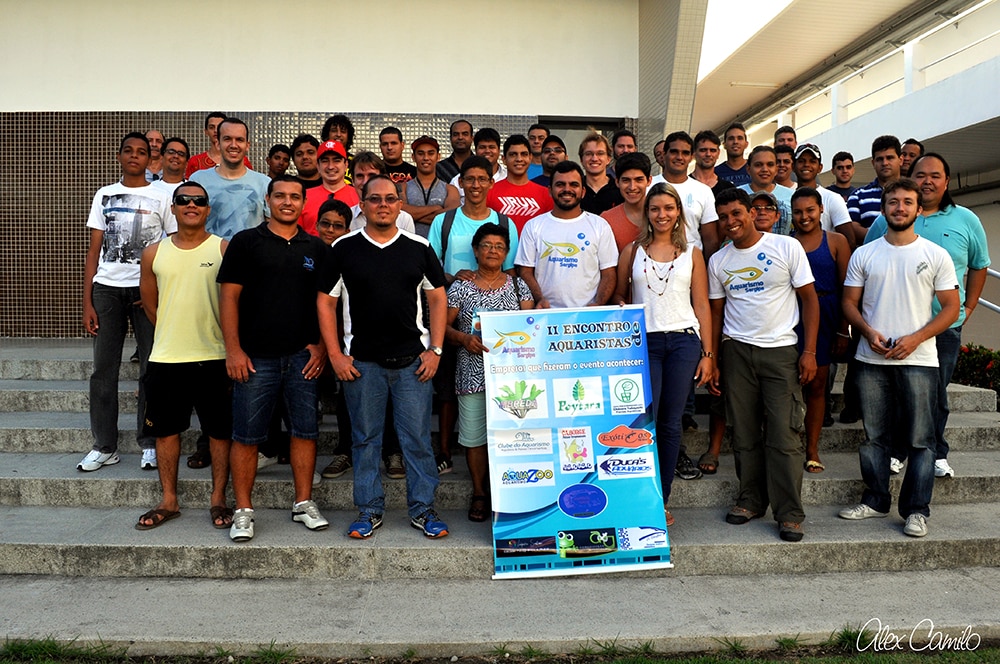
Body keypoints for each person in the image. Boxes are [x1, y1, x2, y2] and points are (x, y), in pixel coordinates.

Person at [318, 175, 450, 539]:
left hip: (413, 364)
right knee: (365, 440)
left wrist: (435, 350)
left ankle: (423, 509)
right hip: (361, 365)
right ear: (362, 204)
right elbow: (325, 302)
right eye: (374, 199)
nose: (383, 205)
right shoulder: (343, 248)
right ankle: (369, 510)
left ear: (399, 204)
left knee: (418, 441)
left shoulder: (418, 246)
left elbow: (438, 298)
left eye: (390, 199)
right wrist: (335, 355)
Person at [838, 178, 960, 538]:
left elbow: (951, 308)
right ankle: (875, 500)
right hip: (872, 359)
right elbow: (848, 302)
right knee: (874, 437)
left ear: (918, 209)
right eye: (893, 202)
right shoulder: (865, 253)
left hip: (919, 359)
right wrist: (867, 331)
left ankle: (916, 510)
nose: (900, 207)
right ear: (884, 207)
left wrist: (916, 338)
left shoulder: (934, 254)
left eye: (908, 202)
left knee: (921, 441)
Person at [218, 175, 330, 542]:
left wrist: (321, 345)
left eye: (294, 197)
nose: (287, 202)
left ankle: (303, 503)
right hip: (254, 358)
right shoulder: (246, 242)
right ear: (268, 199)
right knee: (247, 437)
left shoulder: (316, 247)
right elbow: (229, 298)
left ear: (303, 203)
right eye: (280, 195)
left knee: (305, 431)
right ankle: (243, 510)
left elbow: (325, 303)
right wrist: (233, 350)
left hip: (302, 357)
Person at [864, 153, 990, 478]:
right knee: (894, 394)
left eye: (936, 175)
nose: (927, 181)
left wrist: (970, 305)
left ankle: (936, 451)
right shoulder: (890, 217)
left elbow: (979, 265)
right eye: (921, 175)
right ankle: (896, 450)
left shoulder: (966, 220)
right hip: (893, 326)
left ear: (947, 181)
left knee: (935, 394)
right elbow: (867, 267)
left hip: (943, 327)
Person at [708, 187, 819, 542]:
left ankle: (789, 513)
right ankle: (750, 500)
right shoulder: (719, 261)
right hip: (736, 351)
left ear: (752, 212)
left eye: (737, 213)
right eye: (723, 217)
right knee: (743, 433)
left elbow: (810, 302)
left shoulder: (785, 247)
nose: (731, 222)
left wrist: (809, 351)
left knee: (785, 435)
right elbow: (715, 312)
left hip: (780, 352)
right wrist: (714, 359)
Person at [612, 183, 714, 526]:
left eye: (669, 208)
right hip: (645, 343)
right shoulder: (631, 251)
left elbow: (701, 303)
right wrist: (622, 307)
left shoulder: (692, 253)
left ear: (678, 213)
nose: (662, 215)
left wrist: (708, 353)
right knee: (644, 421)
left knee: (671, 423)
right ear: (647, 213)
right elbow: (620, 298)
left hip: (684, 342)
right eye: (655, 209)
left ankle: (661, 498)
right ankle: (636, 493)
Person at [135, 181, 233, 530]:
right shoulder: (153, 253)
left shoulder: (223, 248)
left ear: (208, 209)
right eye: (183, 200)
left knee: (220, 432)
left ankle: (218, 498)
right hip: (166, 358)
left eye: (199, 201)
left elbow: (233, 303)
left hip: (214, 356)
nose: (191, 205)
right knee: (165, 432)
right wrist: (173, 332)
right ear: (173, 208)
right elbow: (150, 304)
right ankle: (168, 500)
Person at [78, 132, 176, 473]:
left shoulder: (163, 196)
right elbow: (94, 251)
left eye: (142, 152)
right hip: (106, 289)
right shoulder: (104, 195)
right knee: (104, 369)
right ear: (119, 156)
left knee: (152, 368)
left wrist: (161, 291)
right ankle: (104, 445)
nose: (135, 156)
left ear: (151, 157)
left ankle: (149, 441)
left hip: (146, 290)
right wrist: (87, 300)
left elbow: (172, 245)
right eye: (128, 151)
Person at [429, 156, 520, 475]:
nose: (476, 185)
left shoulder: (505, 223)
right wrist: (455, 281)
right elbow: (432, 268)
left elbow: (510, 273)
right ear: (461, 183)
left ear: (491, 182)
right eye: (470, 179)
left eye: (483, 179)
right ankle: (443, 450)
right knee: (448, 391)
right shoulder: (447, 221)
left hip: (498, 335)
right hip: (456, 307)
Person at [445, 223, 534, 521]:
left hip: (514, 378)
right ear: (475, 250)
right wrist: (463, 339)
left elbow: (531, 327)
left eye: (499, 246)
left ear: (506, 253)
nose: (493, 250)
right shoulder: (460, 287)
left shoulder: (519, 286)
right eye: (486, 245)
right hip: (472, 373)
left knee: (513, 434)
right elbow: (442, 328)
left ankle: (508, 492)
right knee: (474, 436)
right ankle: (481, 492)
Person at [790, 188, 850, 473]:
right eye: (799, 212)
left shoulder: (836, 241)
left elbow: (847, 290)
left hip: (826, 315)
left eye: (810, 210)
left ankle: (812, 448)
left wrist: (843, 330)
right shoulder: (783, 243)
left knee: (817, 385)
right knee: (788, 386)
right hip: (790, 318)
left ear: (821, 210)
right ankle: (789, 444)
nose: (804, 217)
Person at [516, 161, 619, 308]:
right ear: (550, 190)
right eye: (560, 184)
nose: (567, 189)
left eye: (573, 185)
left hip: (587, 318)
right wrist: (539, 299)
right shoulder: (533, 226)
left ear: (583, 192)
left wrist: (599, 303)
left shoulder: (599, 225)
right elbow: (525, 271)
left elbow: (608, 273)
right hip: (546, 315)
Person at [190, 118, 270, 241]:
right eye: (227, 139)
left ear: (247, 145)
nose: (233, 145)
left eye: (239, 140)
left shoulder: (264, 183)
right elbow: (189, 224)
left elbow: (272, 228)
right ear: (218, 143)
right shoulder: (198, 180)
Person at [650, 131, 720, 256]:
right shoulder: (648, 186)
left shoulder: (703, 191)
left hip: (691, 263)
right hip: (653, 261)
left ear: (692, 156)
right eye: (674, 152)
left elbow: (711, 240)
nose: (679, 157)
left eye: (685, 153)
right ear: (664, 154)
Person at [792, 143, 856, 251]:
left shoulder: (833, 198)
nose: (806, 165)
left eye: (812, 161)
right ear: (793, 166)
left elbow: (850, 241)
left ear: (820, 167)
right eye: (801, 161)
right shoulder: (786, 197)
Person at [487, 134, 553, 233]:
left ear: (530, 157)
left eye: (524, 154)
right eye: (513, 154)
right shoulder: (489, 192)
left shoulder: (545, 194)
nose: (519, 159)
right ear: (504, 159)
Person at [847, 135, 901, 246]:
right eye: (879, 159)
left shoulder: (914, 194)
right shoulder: (858, 195)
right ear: (873, 163)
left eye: (890, 158)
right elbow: (853, 228)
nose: (885, 163)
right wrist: (886, 241)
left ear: (900, 160)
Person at [402, 135, 459, 237]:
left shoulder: (450, 189)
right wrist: (436, 208)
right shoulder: (403, 187)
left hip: (439, 248)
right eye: (420, 153)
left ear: (438, 156)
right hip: (411, 248)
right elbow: (400, 214)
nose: (426, 158)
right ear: (413, 157)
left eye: (431, 153)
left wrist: (412, 215)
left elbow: (450, 217)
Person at [299, 139, 360, 235]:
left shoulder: (359, 196)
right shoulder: (303, 197)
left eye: (336, 160)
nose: (331, 166)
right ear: (318, 166)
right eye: (325, 161)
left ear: (346, 165)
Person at [601, 152, 650, 252]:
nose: (632, 187)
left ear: (649, 181)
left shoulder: (663, 216)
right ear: (617, 182)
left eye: (639, 180)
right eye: (626, 180)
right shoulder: (606, 220)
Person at [738, 146, 794, 235]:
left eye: (770, 164)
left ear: (776, 169)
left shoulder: (792, 195)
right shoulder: (737, 194)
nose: (764, 169)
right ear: (748, 169)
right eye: (758, 165)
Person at [186, 112, 252, 178]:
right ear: (206, 131)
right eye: (212, 127)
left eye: (219, 127)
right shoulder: (195, 162)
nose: (215, 131)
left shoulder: (243, 161)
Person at [578, 133, 622, 215]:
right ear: (581, 160)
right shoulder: (575, 189)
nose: (594, 158)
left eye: (600, 153)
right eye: (589, 154)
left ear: (608, 159)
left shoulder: (620, 189)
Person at [692, 130, 736, 198]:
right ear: (694, 153)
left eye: (712, 150)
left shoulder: (728, 188)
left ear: (718, 153)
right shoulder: (683, 186)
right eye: (703, 150)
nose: (708, 154)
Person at [714, 122, 750, 187]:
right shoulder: (715, 173)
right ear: (724, 145)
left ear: (746, 144)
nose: (735, 142)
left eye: (740, 138)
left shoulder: (755, 170)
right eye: (731, 138)